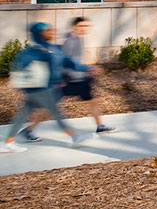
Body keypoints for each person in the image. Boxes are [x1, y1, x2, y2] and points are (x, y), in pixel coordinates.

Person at [1, 22, 92, 151]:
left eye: (51, 30)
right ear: (39, 33)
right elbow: (21, 68)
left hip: (45, 89)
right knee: (57, 113)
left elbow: (69, 62)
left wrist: (87, 68)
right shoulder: (35, 50)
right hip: (40, 89)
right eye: (48, 30)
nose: (52, 32)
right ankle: (75, 137)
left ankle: (7, 143)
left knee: (23, 115)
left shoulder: (53, 48)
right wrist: (25, 85)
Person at [60, 17, 113, 134]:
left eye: (86, 26)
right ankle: (29, 130)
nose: (84, 29)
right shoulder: (69, 41)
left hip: (80, 79)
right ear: (74, 27)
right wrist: (87, 68)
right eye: (81, 26)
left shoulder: (78, 39)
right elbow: (64, 62)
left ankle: (100, 126)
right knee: (50, 107)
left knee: (93, 101)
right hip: (69, 80)